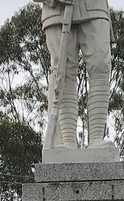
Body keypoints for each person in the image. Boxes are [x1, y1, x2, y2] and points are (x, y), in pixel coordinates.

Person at [33, 0, 112, 149]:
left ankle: (96, 139)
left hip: (94, 8)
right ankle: (68, 142)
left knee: (100, 69)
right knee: (63, 75)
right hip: (56, 11)